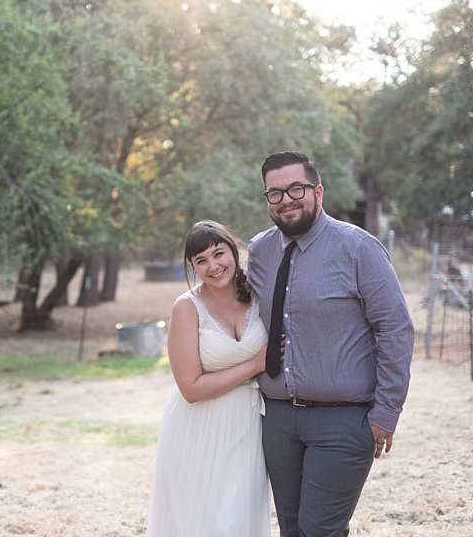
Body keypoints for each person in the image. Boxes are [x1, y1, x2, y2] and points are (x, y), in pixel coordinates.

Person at [248, 151, 414, 537]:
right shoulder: (259, 251)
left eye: (296, 188)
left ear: (317, 191)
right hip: (277, 420)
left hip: (343, 421)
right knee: (291, 530)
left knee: (319, 531)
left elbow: (395, 329)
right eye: (275, 193)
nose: (286, 199)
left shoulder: (358, 248)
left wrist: (385, 412)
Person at [147, 220, 271, 537]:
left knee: (238, 518)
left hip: (247, 427)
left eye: (219, 254)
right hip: (197, 427)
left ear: (233, 250)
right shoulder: (187, 308)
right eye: (201, 261)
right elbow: (191, 388)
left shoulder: (259, 293)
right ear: (193, 266)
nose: (213, 266)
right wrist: (256, 364)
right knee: (203, 523)